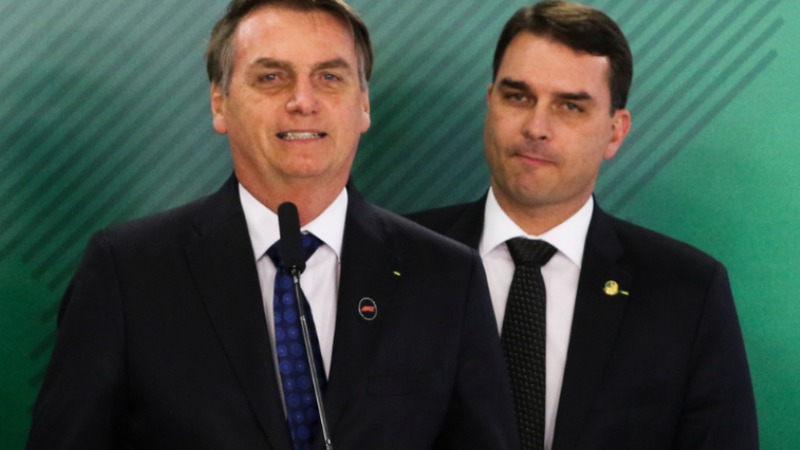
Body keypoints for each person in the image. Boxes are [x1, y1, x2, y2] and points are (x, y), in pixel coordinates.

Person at [26, 1, 519, 449]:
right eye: (271, 77)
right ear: (219, 102)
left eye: (329, 77)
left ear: (364, 104)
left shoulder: (446, 277)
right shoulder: (128, 271)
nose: (303, 100)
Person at [408, 1, 758, 449]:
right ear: (490, 102)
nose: (536, 127)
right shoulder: (396, 260)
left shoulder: (687, 293)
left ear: (615, 132)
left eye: (570, 106)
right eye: (518, 97)